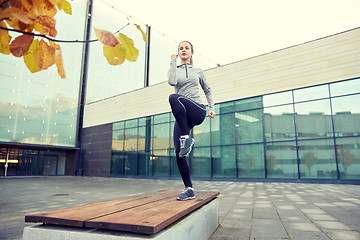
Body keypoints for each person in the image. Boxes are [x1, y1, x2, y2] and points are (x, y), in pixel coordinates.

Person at [168, 41, 216, 201]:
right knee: (179, 152)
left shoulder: (198, 71)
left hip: (197, 110)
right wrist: (172, 62)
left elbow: (207, 89)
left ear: (191, 52)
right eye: (180, 48)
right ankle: (189, 189)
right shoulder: (174, 68)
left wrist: (211, 107)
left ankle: (185, 138)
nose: (183, 50)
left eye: (186, 48)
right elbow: (172, 82)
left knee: (173, 97)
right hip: (183, 118)